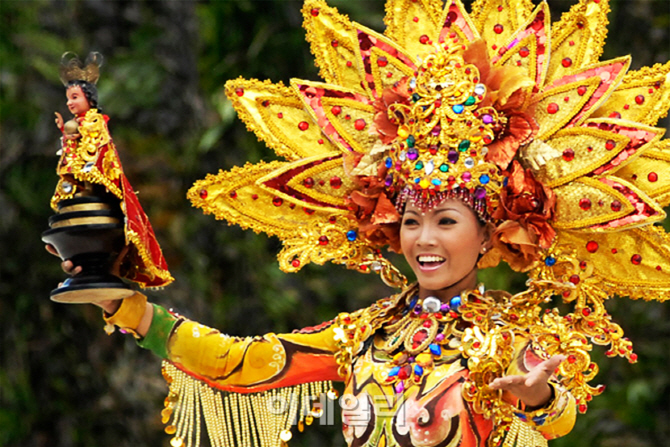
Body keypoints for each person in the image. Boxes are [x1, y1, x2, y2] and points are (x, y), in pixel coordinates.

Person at [48, 0, 670, 446]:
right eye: (411, 220)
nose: (423, 239)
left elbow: (557, 415)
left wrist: (535, 397)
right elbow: (239, 364)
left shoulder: (513, 336)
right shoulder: (361, 335)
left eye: (447, 221)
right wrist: (129, 309)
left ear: (491, 236)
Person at [49, 52, 172, 292]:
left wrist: (74, 138)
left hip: (92, 170)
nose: (69, 103)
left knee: (91, 191)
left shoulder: (95, 121)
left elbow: (94, 147)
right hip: (79, 175)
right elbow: (74, 143)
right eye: (68, 98)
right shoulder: (81, 122)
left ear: (89, 99)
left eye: (75, 97)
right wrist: (66, 131)